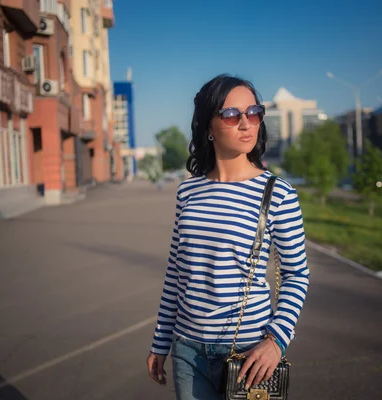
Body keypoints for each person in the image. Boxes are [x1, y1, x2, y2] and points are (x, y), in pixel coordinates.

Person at [146, 74, 310, 400]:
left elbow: (296, 275)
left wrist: (276, 340)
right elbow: (176, 274)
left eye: (254, 112)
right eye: (232, 115)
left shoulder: (278, 194)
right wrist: (160, 342)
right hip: (187, 350)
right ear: (207, 127)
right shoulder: (188, 191)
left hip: (249, 355)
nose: (247, 123)